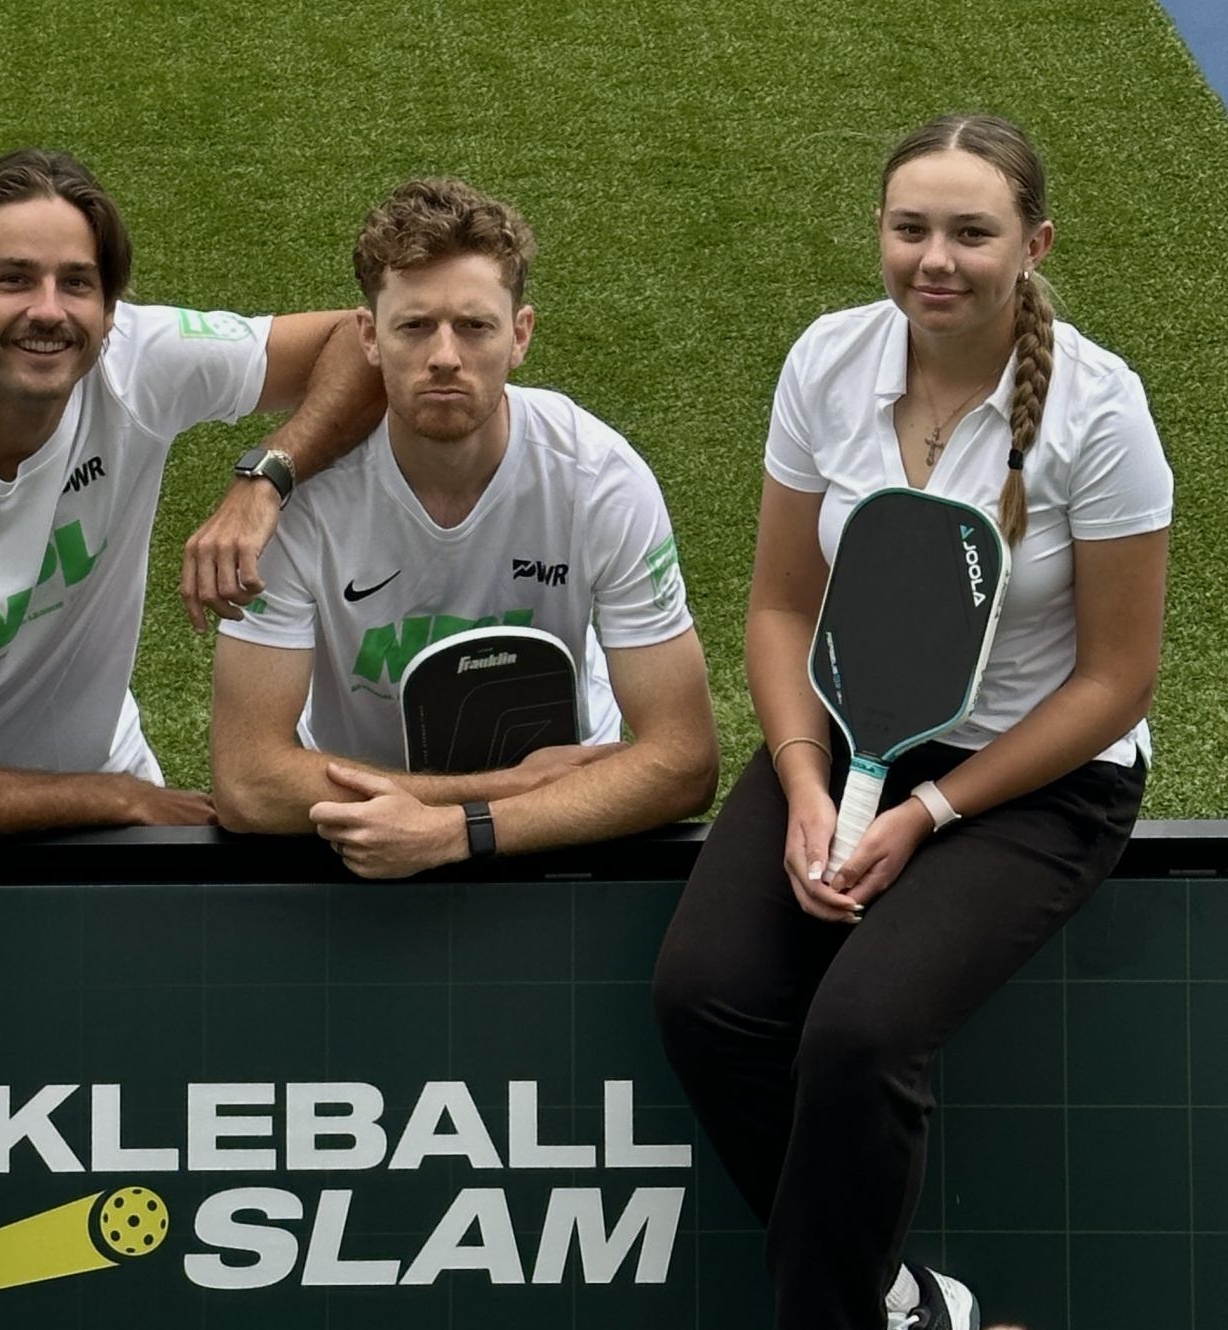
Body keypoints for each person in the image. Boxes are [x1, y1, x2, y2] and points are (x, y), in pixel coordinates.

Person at [652, 114, 1171, 1330]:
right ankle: (898, 1300)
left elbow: (1119, 679)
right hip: (845, 729)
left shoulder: (1101, 412)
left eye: (971, 233)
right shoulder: (827, 362)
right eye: (910, 228)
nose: (935, 258)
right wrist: (805, 784)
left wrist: (932, 812)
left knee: (861, 1031)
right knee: (705, 997)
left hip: (1039, 773)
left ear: (1034, 244)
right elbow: (782, 607)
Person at [0, 148, 382, 838]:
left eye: (77, 283)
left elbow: (361, 343)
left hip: (92, 771)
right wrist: (114, 799)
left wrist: (267, 478)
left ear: (110, 308)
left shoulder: (138, 362)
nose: (48, 310)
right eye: (14, 280)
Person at [209, 177, 718, 878]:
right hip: (363, 843)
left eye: (474, 326)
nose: (444, 355)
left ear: (520, 335)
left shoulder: (598, 478)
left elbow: (684, 763)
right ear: (369, 337)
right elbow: (247, 781)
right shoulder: (302, 503)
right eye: (414, 326)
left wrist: (458, 831)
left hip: (560, 831)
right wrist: (488, 797)